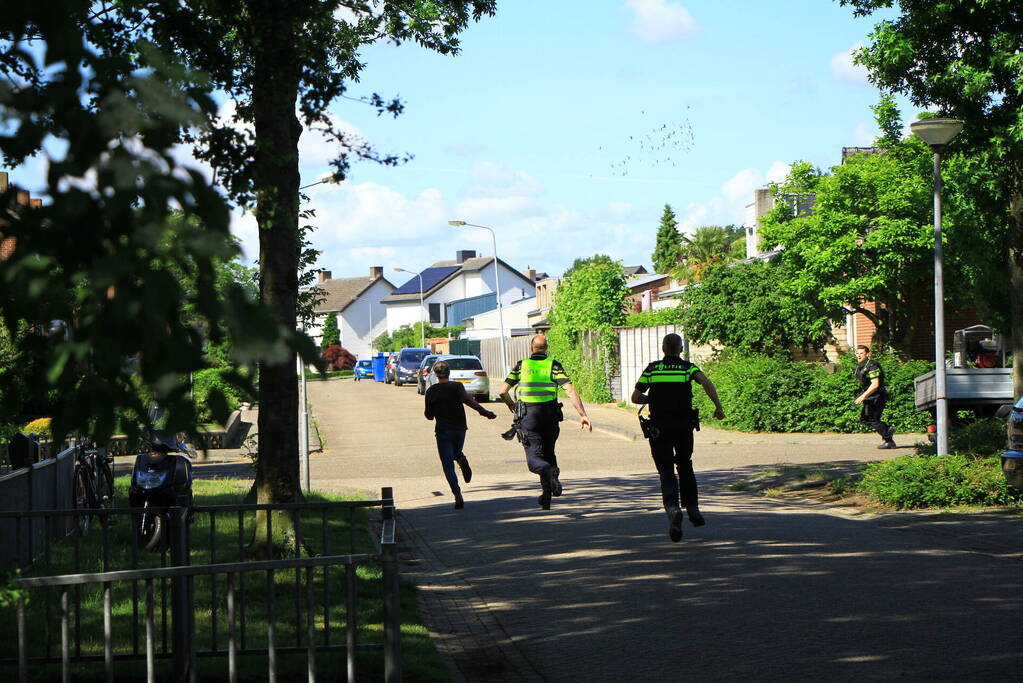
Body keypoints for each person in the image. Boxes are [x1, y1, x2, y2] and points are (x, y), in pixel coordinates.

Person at [631, 333, 724, 543]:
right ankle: (692, 508)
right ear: (680, 349)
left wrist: (653, 398)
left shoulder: (653, 369)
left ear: (663, 349)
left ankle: (673, 509)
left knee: (665, 470)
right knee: (684, 465)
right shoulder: (687, 368)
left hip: (659, 428)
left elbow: (635, 398)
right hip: (683, 426)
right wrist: (718, 407)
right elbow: (707, 383)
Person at [498, 334, 592, 510]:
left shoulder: (522, 366)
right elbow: (570, 390)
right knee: (549, 454)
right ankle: (547, 495)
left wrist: (511, 405)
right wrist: (583, 414)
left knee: (535, 459)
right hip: (549, 418)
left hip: (529, 419)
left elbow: (502, 391)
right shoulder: (553, 365)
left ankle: (550, 473)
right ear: (546, 348)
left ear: (531, 348)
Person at [424, 360, 497, 509]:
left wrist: (433, 408)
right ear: (449, 373)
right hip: (459, 429)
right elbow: (468, 401)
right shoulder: (457, 386)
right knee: (456, 451)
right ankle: (461, 459)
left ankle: (457, 494)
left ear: (436, 374)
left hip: (443, 430)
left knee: (447, 464)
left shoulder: (431, 391)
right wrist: (485, 412)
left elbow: (429, 416)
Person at [854, 345, 896, 449]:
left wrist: (863, 396)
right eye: (857, 353)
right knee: (865, 418)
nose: (859, 355)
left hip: (877, 396)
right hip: (870, 397)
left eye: (861, 353)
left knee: (873, 419)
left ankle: (889, 440)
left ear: (867, 354)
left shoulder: (873, 366)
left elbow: (875, 384)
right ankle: (888, 430)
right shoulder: (861, 366)